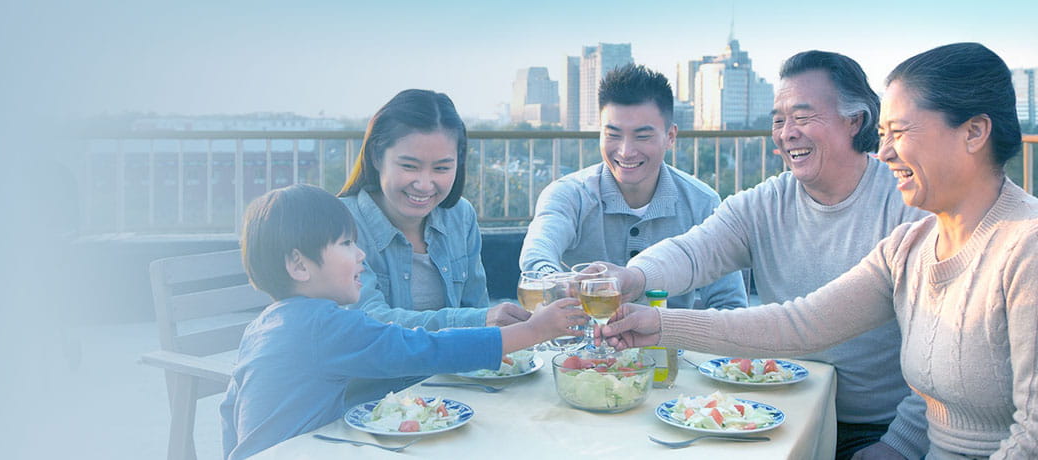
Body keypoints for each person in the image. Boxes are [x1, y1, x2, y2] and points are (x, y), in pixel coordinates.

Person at [600, 42, 1035, 460]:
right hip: (790, 407)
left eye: (898, 132)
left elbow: (1029, 436)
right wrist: (652, 312)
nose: (884, 150)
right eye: (884, 134)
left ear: (974, 132)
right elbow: (798, 324)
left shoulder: (1017, 244)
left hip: (879, 430)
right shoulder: (911, 246)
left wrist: (901, 442)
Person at [220, 184, 585, 460]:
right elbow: (422, 349)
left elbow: (229, 411)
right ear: (299, 265)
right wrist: (533, 331)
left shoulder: (265, 326)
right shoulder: (324, 325)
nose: (361, 254)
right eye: (347, 244)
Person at [519, 64, 747, 311]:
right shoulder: (569, 194)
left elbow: (730, 304)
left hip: (668, 345)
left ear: (670, 136)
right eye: (613, 135)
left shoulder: (702, 202)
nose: (626, 151)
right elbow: (537, 255)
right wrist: (559, 283)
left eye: (642, 136)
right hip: (582, 344)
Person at [338, 89, 527, 329]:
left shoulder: (460, 216)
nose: (424, 185)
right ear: (376, 156)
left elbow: (476, 307)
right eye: (409, 166)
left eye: (441, 168)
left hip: (456, 367)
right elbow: (367, 321)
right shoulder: (341, 223)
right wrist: (478, 320)